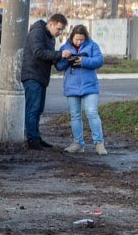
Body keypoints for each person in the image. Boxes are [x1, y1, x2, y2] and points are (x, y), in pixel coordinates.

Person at [20, 12, 68, 150]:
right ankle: (32, 139)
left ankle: (36, 137)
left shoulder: (49, 37)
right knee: (33, 109)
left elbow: (47, 56)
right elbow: (38, 52)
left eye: (62, 30)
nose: (60, 32)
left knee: (38, 109)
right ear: (51, 24)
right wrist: (60, 54)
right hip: (32, 75)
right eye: (58, 29)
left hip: (40, 76)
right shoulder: (38, 33)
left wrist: (60, 60)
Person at [56, 24, 107, 155]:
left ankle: (99, 143)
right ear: (72, 37)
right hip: (71, 87)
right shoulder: (65, 47)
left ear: (86, 38)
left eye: (81, 40)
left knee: (92, 113)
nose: (78, 42)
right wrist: (66, 58)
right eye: (76, 39)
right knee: (75, 115)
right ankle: (78, 143)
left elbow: (99, 61)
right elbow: (59, 66)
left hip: (89, 86)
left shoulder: (93, 45)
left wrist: (83, 61)